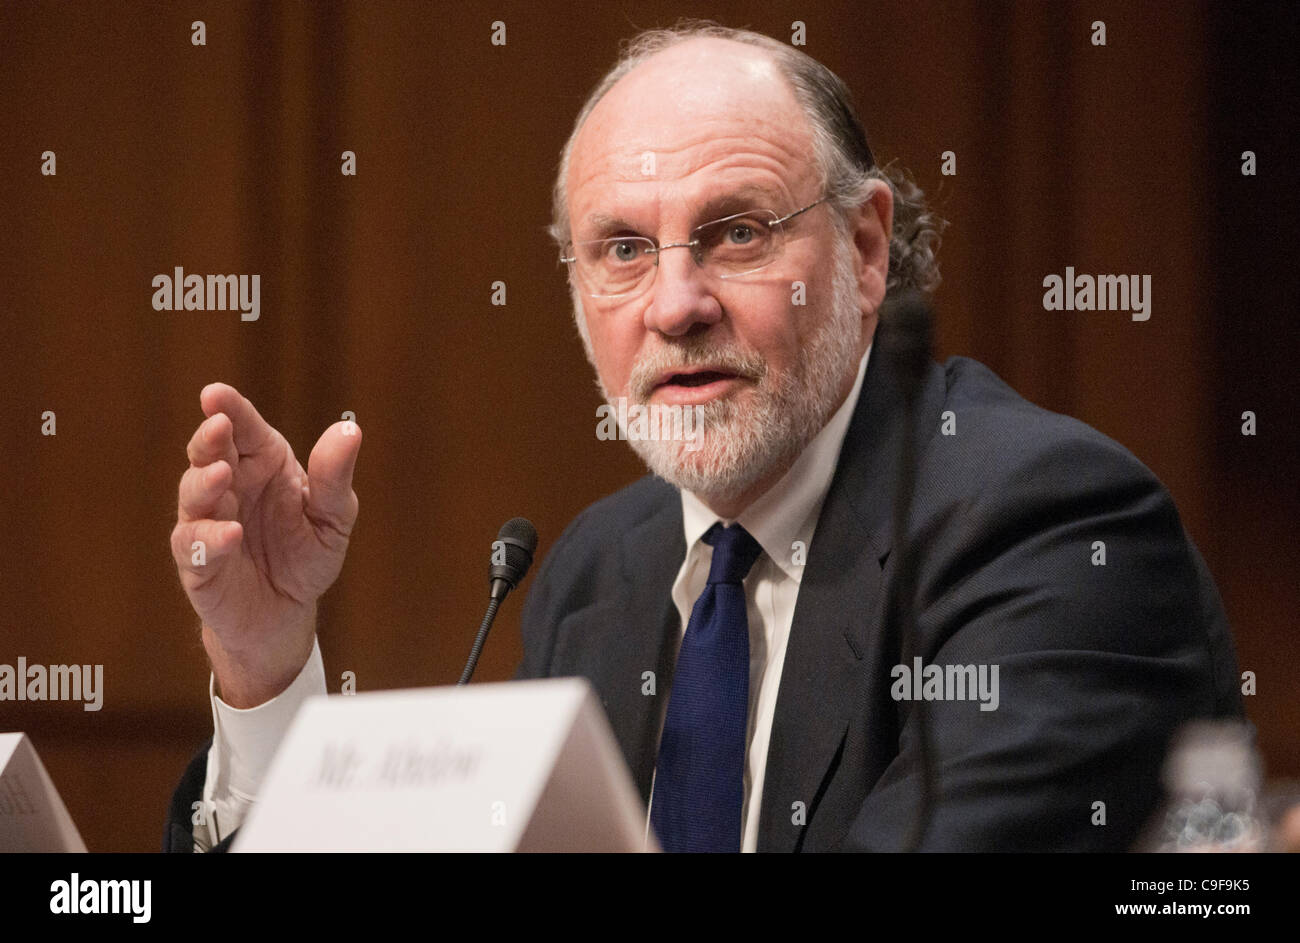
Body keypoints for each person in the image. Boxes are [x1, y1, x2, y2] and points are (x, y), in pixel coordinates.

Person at [164, 22, 1242, 853]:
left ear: (866, 251)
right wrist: (265, 668)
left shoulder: (1044, 525)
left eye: (735, 232)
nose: (675, 304)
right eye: (622, 249)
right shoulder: (599, 569)